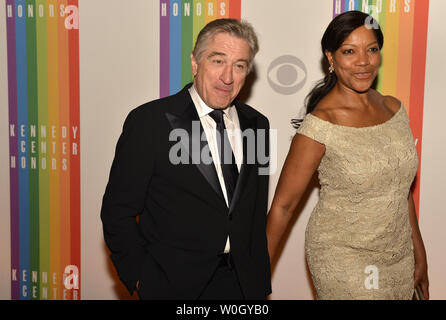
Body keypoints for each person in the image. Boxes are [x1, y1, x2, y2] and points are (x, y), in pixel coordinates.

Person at [101, 18, 271, 300]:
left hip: (242, 286)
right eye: (218, 61)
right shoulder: (150, 122)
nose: (228, 77)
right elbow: (117, 212)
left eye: (239, 65)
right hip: (172, 285)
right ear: (195, 63)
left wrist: (258, 280)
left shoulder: (258, 125)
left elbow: (252, 213)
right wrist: (144, 279)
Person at [266, 11, 429, 300]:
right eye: (349, 51)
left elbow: (400, 189)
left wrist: (419, 250)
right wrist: (256, 275)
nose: (363, 61)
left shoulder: (393, 108)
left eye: (372, 49)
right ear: (330, 58)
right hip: (344, 258)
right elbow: (284, 206)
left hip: (398, 254)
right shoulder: (320, 125)